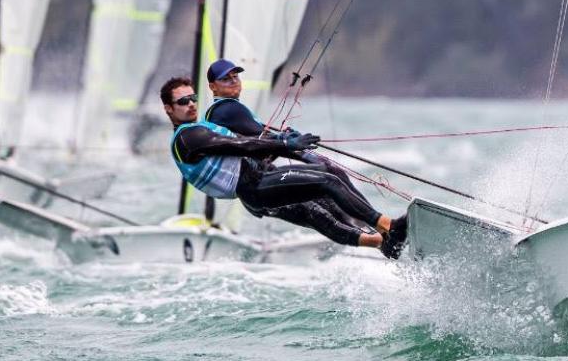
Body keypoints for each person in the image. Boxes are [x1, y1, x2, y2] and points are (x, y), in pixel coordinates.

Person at [161, 75, 408, 258]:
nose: (191, 104)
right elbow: (240, 146)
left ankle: (381, 242)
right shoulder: (187, 138)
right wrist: (283, 144)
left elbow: (251, 142)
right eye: (183, 101)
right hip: (253, 188)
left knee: (323, 191)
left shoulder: (199, 128)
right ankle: (388, 226)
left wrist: (283, 141)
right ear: (169, 109)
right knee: (326, 183)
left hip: (258, 179)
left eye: (193, 98)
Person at [201, 58, 393, 249]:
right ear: (213, 87)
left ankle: (379, 239)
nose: (234, 81)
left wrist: (287, 141)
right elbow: (265, 142)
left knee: (319, 210)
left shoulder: (228, 111)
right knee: (324, 192)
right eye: (226, 79)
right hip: (260, 186)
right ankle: (382, 231)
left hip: (259, 188)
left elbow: (260, 148)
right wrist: (294, 147)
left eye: (235, 76)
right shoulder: (226, 110)